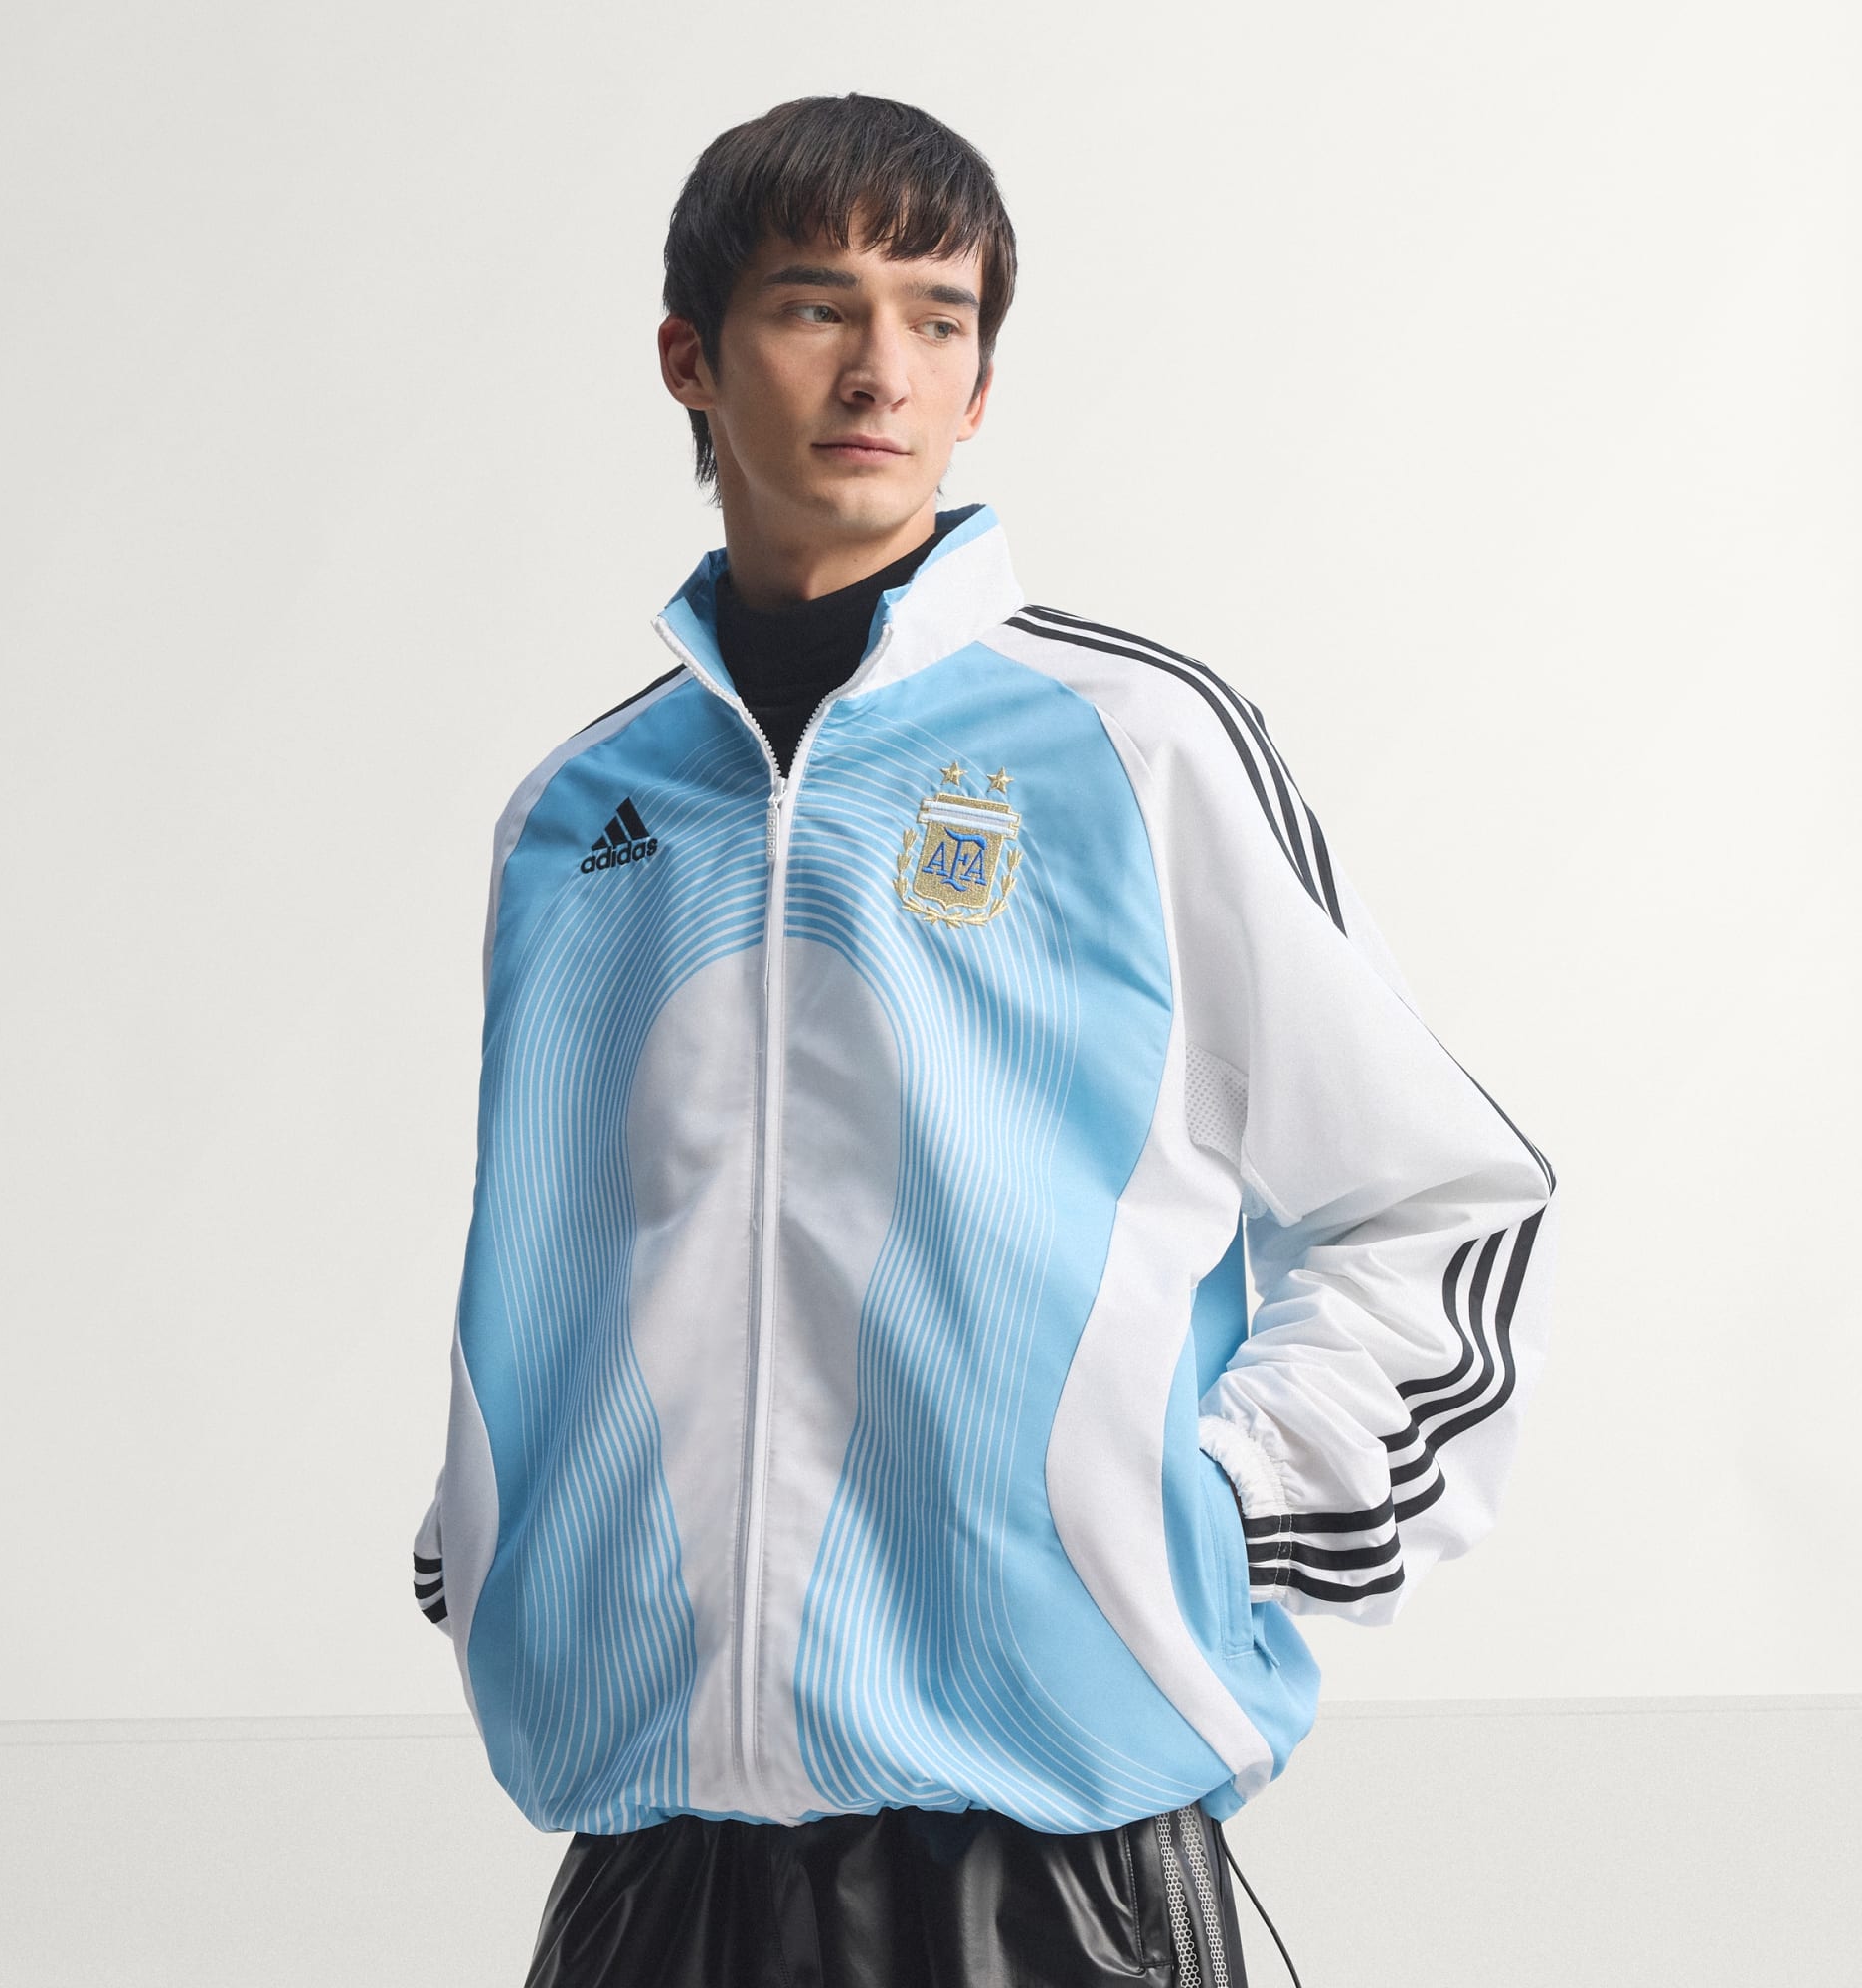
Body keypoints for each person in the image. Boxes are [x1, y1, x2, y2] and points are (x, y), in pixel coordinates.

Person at [411, 93, 1560, 1988]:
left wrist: (1202, 1518)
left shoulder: (1134, 745)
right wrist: (498, 1552)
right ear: (690, 358)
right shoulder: (578, 813)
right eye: (816, 305)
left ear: (980, 384)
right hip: (650, 1851)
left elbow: (1436, 1196)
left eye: (936, 317)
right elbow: (547, 1257)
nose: (882, 368)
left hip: (1047, 1859)